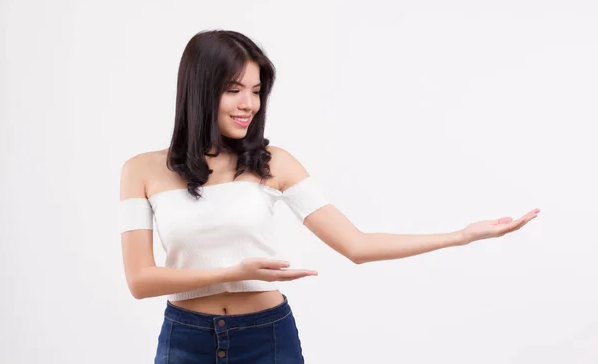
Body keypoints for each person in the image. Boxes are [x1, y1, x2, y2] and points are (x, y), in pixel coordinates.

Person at [119, 29, 540, 364]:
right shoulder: (142, 170)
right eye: (234, 89)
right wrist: (233, 270)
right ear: (200, 89)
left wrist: (462, 235)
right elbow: (141, 281)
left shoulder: (274, 163)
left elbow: (356, 245)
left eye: (257, 89)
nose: (249, 103)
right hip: (186, 341)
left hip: (268, 338)